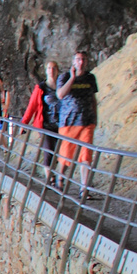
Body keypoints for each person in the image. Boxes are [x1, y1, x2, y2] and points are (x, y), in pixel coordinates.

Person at [56, 51, 100, 195]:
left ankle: (84, 188)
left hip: (87, 120)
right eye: (78, 59)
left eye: (83, 59)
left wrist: (95, 117)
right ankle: (60, 179)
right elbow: (60, 94)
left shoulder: (90, 78)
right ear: (73, 61)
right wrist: (72, 78)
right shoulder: (64, 77)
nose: (81, 62)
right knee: (66, 154)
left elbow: (93, 98)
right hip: (69, 122)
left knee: (86, 156)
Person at [21, 60, 61, 180]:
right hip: (45, 125)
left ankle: (54, 175)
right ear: (46, 71)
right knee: (48, 150)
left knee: (59, 152)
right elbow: (31, 106)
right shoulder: (41, 88)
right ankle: (50, 179)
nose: (51, 71)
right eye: (49, 68)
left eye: (54, 68)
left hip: (61, 124)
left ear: (58, 70)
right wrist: (24, 123)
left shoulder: (62, 86)